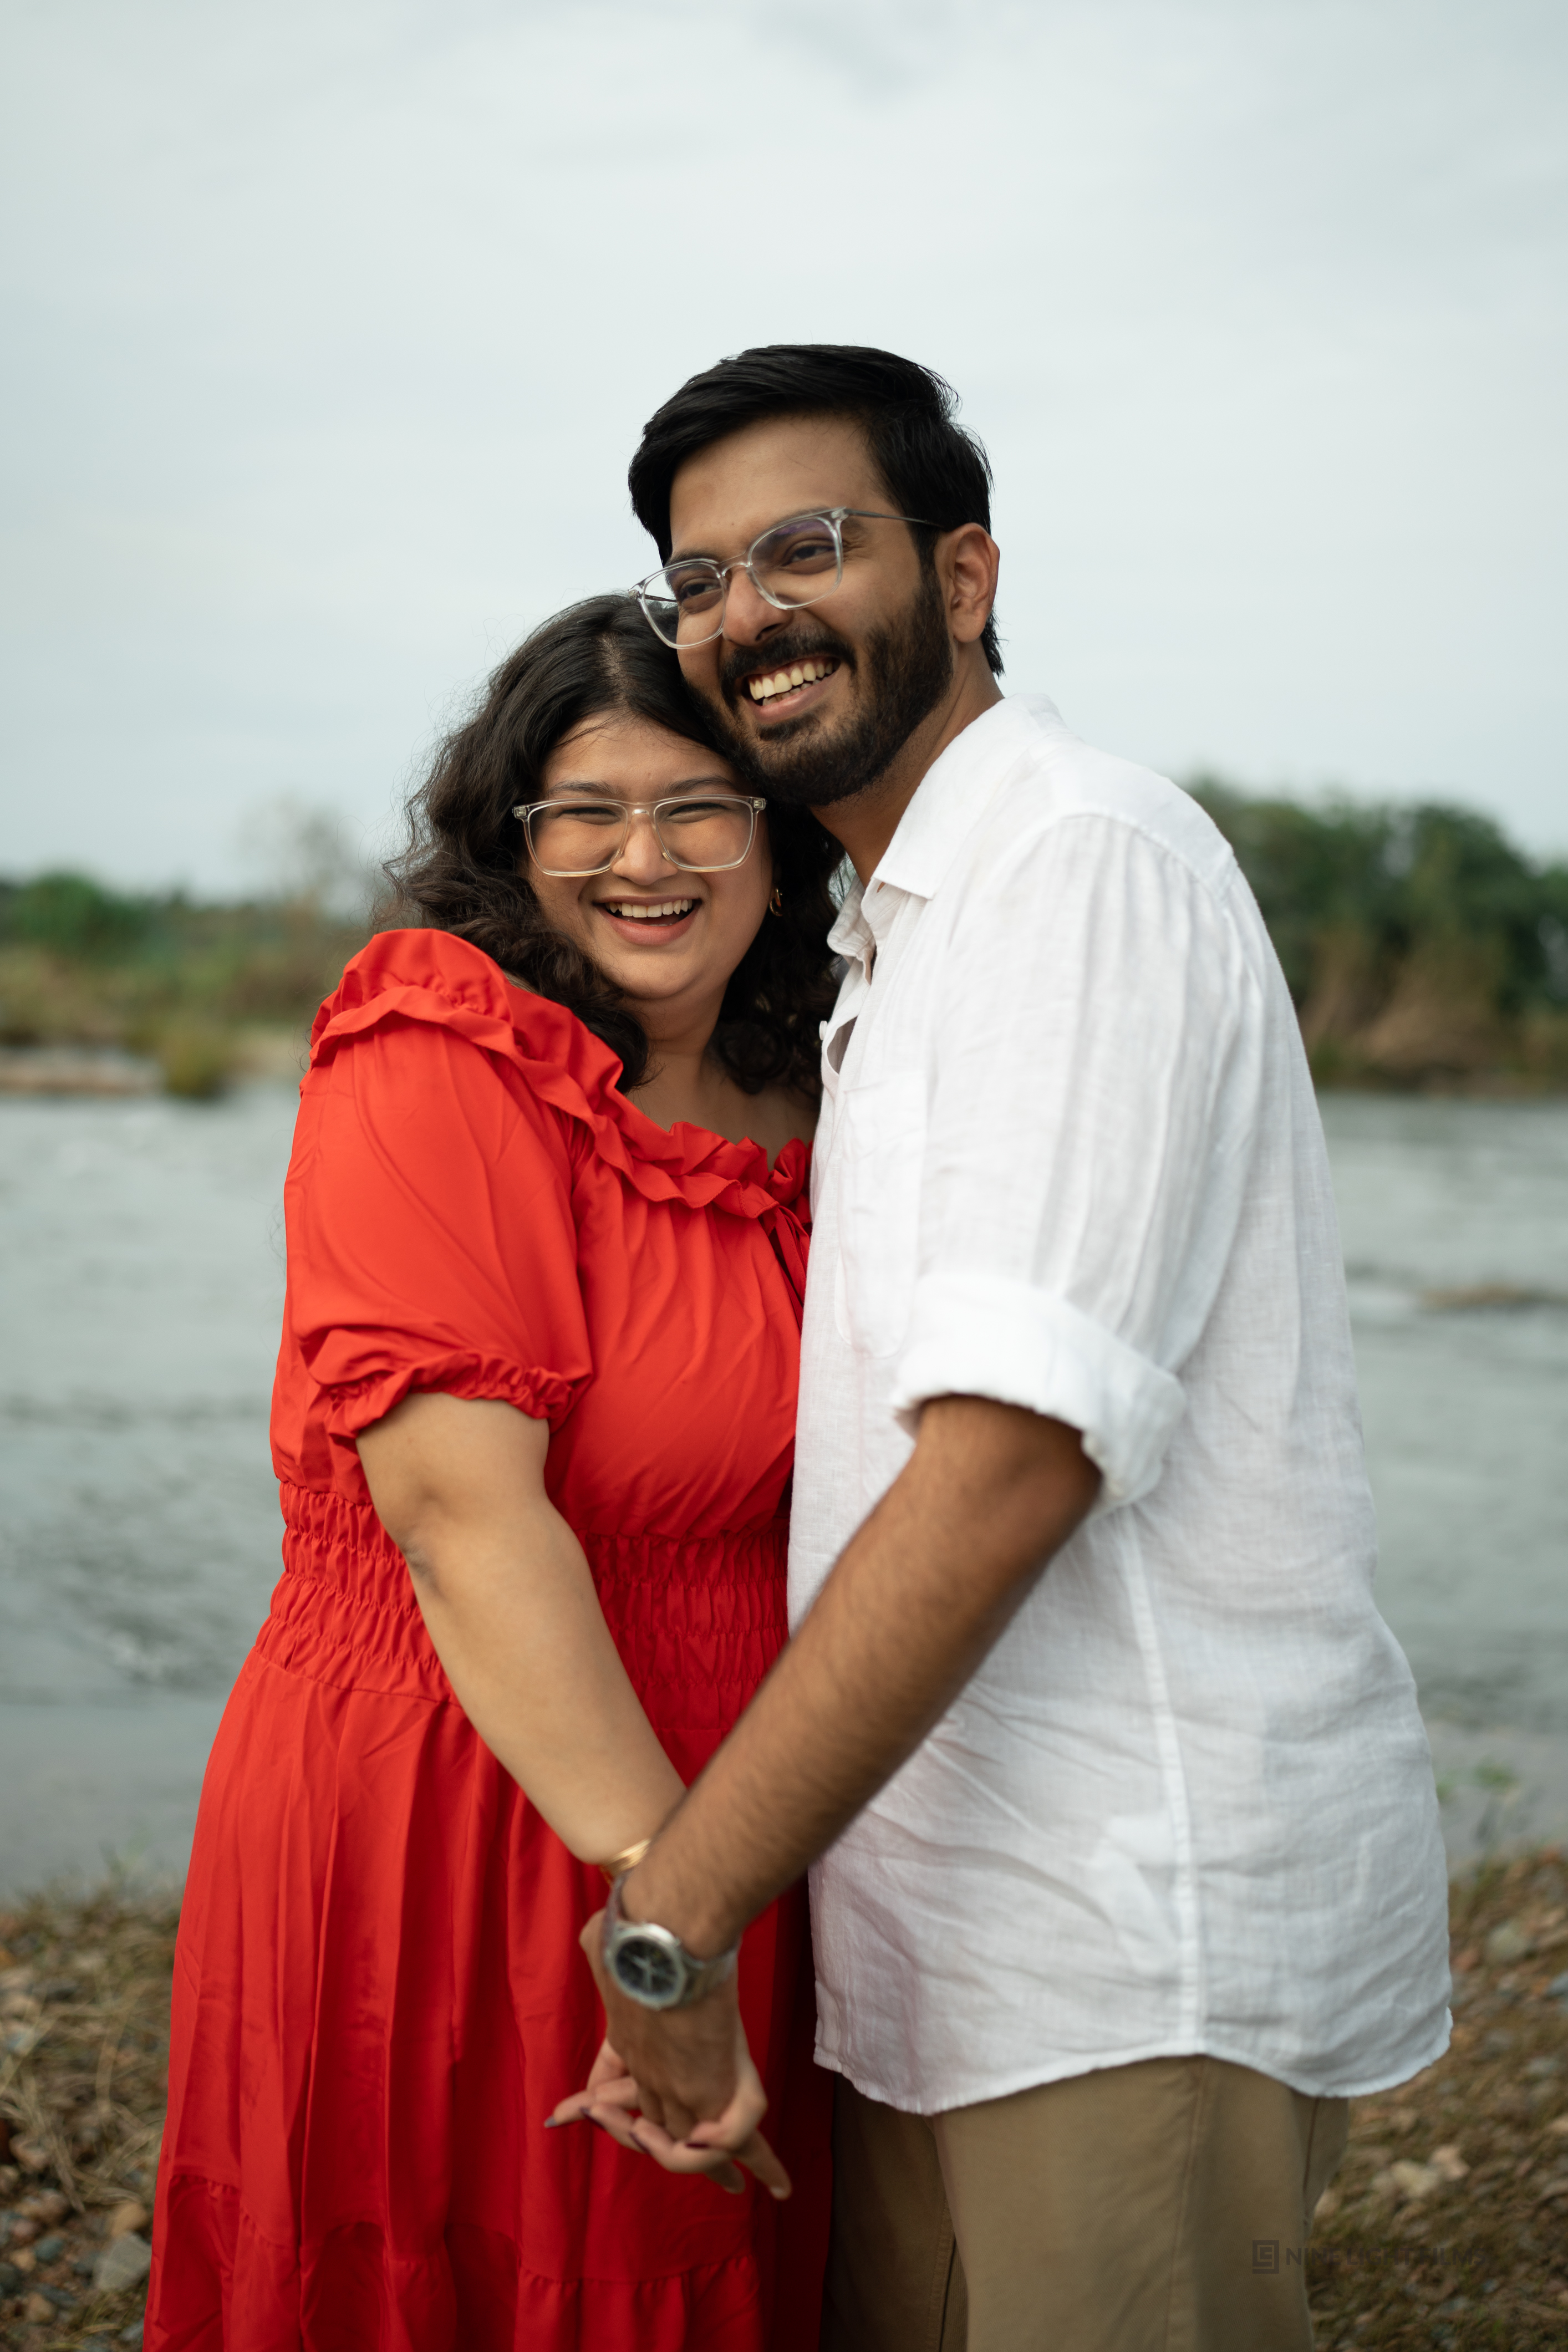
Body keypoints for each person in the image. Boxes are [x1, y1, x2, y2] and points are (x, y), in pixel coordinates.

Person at [569, 348, 1453, 2352]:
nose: (744, 617)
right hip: (951, 1947)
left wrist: (672, 1915)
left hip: (1119, 1939)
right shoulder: (911, 915)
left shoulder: (1074, 867)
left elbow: (1007, 1464)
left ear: (963, 577)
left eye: (805, 545)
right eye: (694, 580)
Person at [144, 594, 841, 2351]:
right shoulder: (437, 1047)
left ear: (775, 831)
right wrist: (656, 1916)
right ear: (508, 842)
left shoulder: (828, 1089)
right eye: (584, 812)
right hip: (467, 1794)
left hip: (743, 1809)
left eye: (699, 804)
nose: (644, 856)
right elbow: (460, 1521)